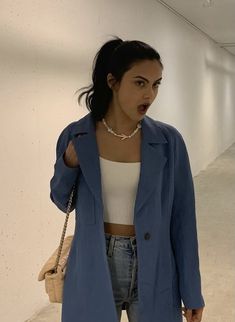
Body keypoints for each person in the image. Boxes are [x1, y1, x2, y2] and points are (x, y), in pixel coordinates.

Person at [50, 36, 205, 322]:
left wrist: (192, 290)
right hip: (94, 261)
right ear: (113, 81)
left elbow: (183, 220)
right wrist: (69, 163)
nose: (150, 94)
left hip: (155, 263)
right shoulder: (77, 136)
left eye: (156, 84)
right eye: (140, 82)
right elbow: (62, 201)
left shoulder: (169, 142)